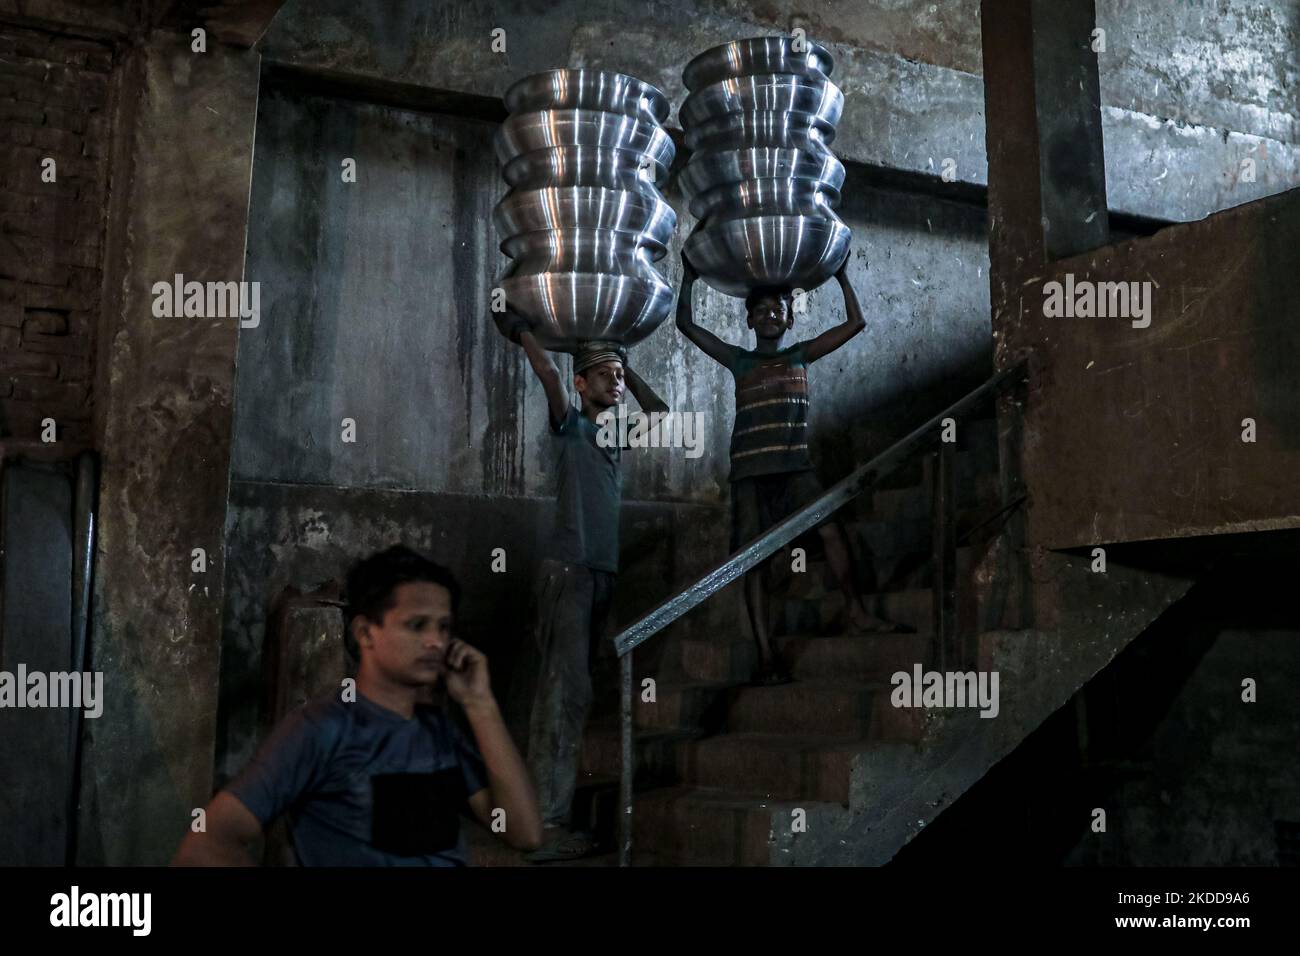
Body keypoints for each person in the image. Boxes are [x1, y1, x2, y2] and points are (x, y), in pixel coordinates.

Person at [173, 545, 541, 866]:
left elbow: (523, 833)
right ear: (365, 632)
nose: (435, 641)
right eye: (417, 625)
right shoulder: (321, 729)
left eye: (443, 627)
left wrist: (481, 704)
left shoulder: (440, 731)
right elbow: (206, 844)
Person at [676, 251, 905, 686]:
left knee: (831, 530)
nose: (767, 315)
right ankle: (767, 656)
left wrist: (841, 274)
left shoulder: (800, 355)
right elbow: (686, 326)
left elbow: (855, 323)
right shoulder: (739, 361)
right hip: (749, 476)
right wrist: (690, 278)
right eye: (759, 310)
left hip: (794, 469)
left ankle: (855, 611)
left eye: (776, 310)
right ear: (749, 322)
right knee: (754, 563)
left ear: (789, 320)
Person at [495, 309, 667, 863]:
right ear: (580, 383)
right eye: (604, 376)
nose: (614, 383)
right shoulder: (572, 425)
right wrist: (521, 329)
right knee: (563, 696)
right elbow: (548, 374)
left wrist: (627, 366)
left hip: (599, 576)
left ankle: (544, 813)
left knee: (575, 694)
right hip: (569, 572)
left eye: (616, 377)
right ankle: (545, 824)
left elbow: (660, 413)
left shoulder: (614, 439)